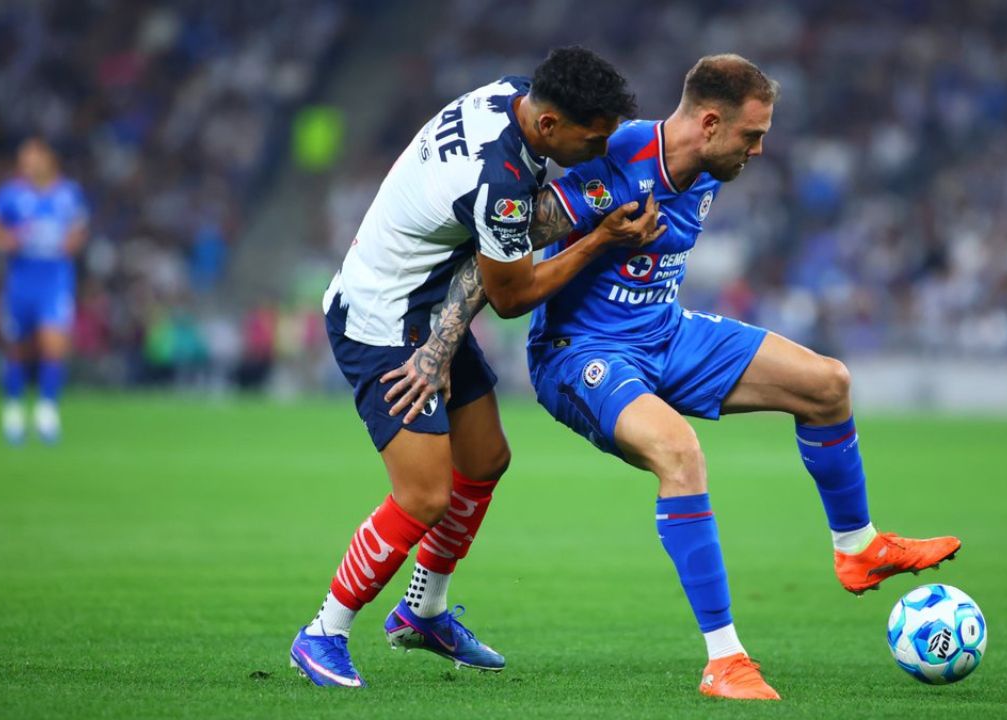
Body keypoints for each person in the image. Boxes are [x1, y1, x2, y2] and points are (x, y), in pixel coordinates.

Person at [396, 55, 961, 701]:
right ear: (712, 123)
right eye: (752, 136)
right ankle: (724, 661)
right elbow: (505, 244)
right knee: (681, 454)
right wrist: (438, 349)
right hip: (581, 352)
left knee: (827, 383)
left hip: (665, 332)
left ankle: (858, 547)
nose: (760, 148)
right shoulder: (618, 162)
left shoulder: (708, 163)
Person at [292, 46, 664, 688]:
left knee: (486, 458)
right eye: (594, 137)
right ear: (549, 126)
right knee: (425, 494)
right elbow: (513, 297)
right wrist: (600, 239)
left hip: (427, 308)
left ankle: (422, 611)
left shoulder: (510, 94)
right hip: (381, 320)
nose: (600, 149)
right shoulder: (499, 183)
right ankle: (323, 631)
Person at [0, 137, 89, 444]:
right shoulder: (11, 195)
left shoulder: (68, 194)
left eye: (31, 158)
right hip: (21, 282)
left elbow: (78, 232)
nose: (26, 165)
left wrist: (70, 243)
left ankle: (46, 413)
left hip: (54, 282)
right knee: (19, 350)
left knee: (53, 344)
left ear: (47, 159)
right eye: (22, 159)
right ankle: (12, 412)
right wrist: (5, 239)